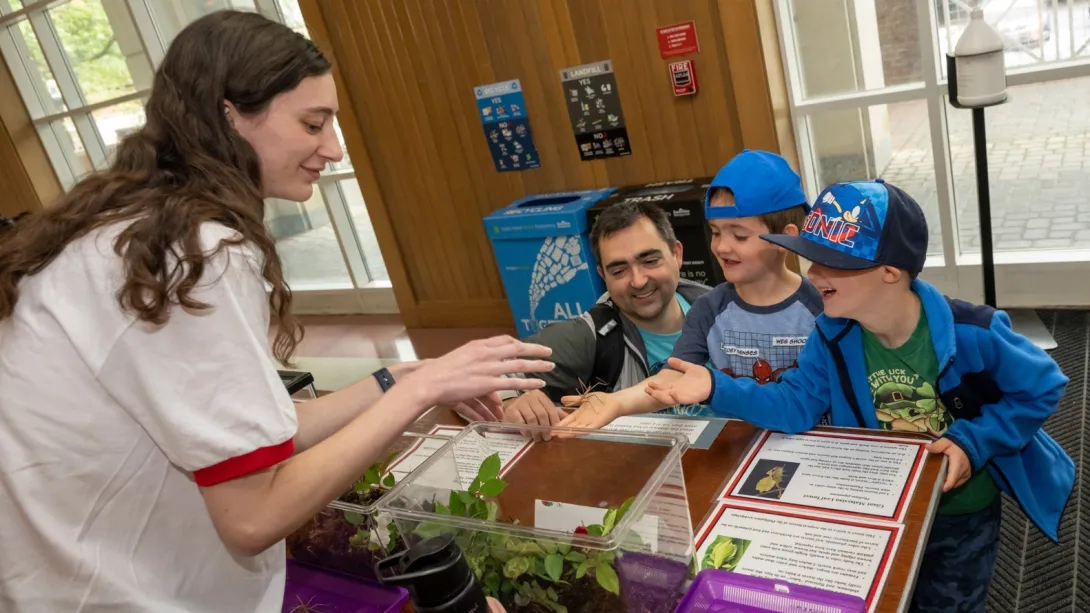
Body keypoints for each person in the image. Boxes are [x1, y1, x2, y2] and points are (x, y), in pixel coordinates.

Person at [0, 12, 552, 613]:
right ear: (228, 115)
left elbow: (265, 432)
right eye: (313, 123)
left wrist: (403, 377)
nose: (334, 149)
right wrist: (419, 394)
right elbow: (253, 515)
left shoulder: (127, 228)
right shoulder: (195, 251)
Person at [642, 180, 1074, 612]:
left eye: (832, 263)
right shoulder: (831, 334)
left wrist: (975, 441)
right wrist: (715, 386)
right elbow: (794, 405)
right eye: (812, 259)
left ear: (890, 272)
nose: (813, 274)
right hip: (881, 504)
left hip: (962, 511)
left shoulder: (974, 330)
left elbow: (1042, 387)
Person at [560, 150, 820, 426]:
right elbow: (673, 377)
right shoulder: (709, 308)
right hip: (737, 444)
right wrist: (617, 402)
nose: (721, 247)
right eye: (716, 232)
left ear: (784, 239)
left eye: (740, 236)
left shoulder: (820, 307)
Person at [501, 201, 710, 426]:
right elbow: (492, 377)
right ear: (603, 276)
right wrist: (510, 403)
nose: (638, 281)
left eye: (650, 261)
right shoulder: (588, 336)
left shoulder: (723, 307)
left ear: (677, 254)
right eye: (619, 271)